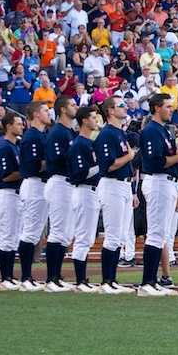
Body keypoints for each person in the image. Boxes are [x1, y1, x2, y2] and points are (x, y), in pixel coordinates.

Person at [136, 93, 178, 298]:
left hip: (168, 182)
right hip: (158, 181)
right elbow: (155, 161)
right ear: (156, 108)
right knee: (155, 234)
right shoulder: (152, 131)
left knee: (160, 234)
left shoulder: (164, 130)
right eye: (166, 106)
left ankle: (153, 280)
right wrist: (177, 157)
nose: (170, 109)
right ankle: (148, 281)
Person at [94, 97, 139, 294]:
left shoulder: (119, 132)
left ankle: (112, 280)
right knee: (113, 236)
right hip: (112, 185)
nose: (125, 107)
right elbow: (108, 165)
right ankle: (107, 281)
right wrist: (129, 156)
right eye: (120, 105)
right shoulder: (107, 134)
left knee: (120, 235)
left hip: (124, 185)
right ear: (110, 111)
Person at [67, 106, 103, 293]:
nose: (96, 120)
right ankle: (80, 280)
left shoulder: (89, 142)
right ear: (83, 121)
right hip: (83, 191)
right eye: (92, 117)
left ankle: (82, 279)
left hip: (92, 192)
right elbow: (79, 173)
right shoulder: (79, 143)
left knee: (87, 237)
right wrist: (101, 166)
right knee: (83, 237)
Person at [17, 102, 52, 291]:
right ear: (36, 115)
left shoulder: (41, 135)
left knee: (35, 231)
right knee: (30, 231)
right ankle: (25, 276)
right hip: (34, 184)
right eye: (45, 111)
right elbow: (33, 165)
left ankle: (27, 276)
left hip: (41, 185)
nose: (49, 113)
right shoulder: (32, 136)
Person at [44, 97, 77, 290]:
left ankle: (56, 276)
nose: (75, 107)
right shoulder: (57, 132)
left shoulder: (69, 132)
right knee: (57, 231)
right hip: (58, 181)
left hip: (68, 183)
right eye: (72, 105)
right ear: (63, 109)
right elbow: (57, 159)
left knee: (65, 233)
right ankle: (51, 278)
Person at [0, 112, 24, 291]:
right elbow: (5, 176)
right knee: (7, 237)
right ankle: (6, 277)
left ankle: (10, 276)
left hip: (15, 194)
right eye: (18, 124)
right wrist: (26, 171)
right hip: (6, 193)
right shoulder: (4, 146)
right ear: (9, 126)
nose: (21, 126)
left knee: (13, 237)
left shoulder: (15, 146)